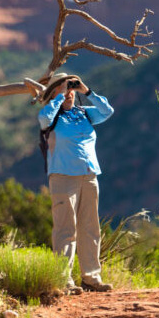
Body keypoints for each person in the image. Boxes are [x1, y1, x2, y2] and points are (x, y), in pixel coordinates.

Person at [39, 72, 115, 294]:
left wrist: (87, 90)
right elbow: (43, 119)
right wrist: (58, 98)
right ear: (54, 92)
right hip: (62, 177)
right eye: (63, 88)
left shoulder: (85, 114)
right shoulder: (52, 116)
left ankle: (91, 277)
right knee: (65, 228)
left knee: (90, 227)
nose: (69, 92)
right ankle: (64, 280)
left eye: (70, 88)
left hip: (89, 175)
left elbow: (107, 111)